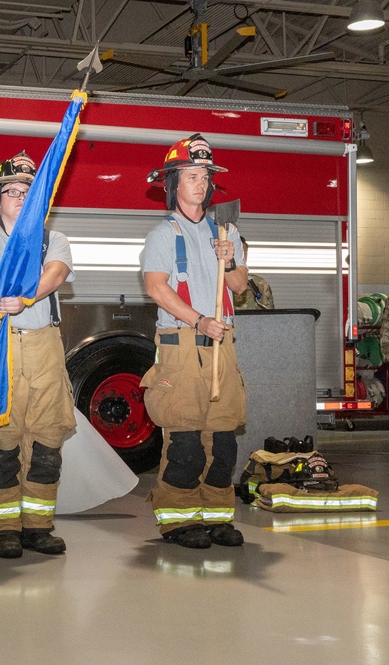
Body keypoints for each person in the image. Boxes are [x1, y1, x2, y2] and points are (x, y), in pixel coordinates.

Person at [0, 152, 76, 559]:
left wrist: (26, 297)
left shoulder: (52, 241)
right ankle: (4, 528)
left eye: (28, 191)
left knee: (47, 443)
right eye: (12, 191)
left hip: (45, 348)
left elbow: (55, 274)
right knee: (3, 444)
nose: (22, 197)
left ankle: (38, 527)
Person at [139, 134, 249, 549]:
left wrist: (230, 259)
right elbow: (156, 288)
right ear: (173, 183)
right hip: (182, 346)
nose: (200, 184)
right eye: (191, 176)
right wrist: (199, 320)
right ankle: (179, 522)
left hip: (223, 348)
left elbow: (240, 286)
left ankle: (217, 517)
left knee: (222, 442)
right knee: (185, 441)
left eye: (205, 176)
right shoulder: (162, 234)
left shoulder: (226, 231)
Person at [234, 236, 274, 310]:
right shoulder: (216, 283)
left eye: (244, 252)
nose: (241, 257)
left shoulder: (259, 284)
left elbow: (269, 314)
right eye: (237, 252)